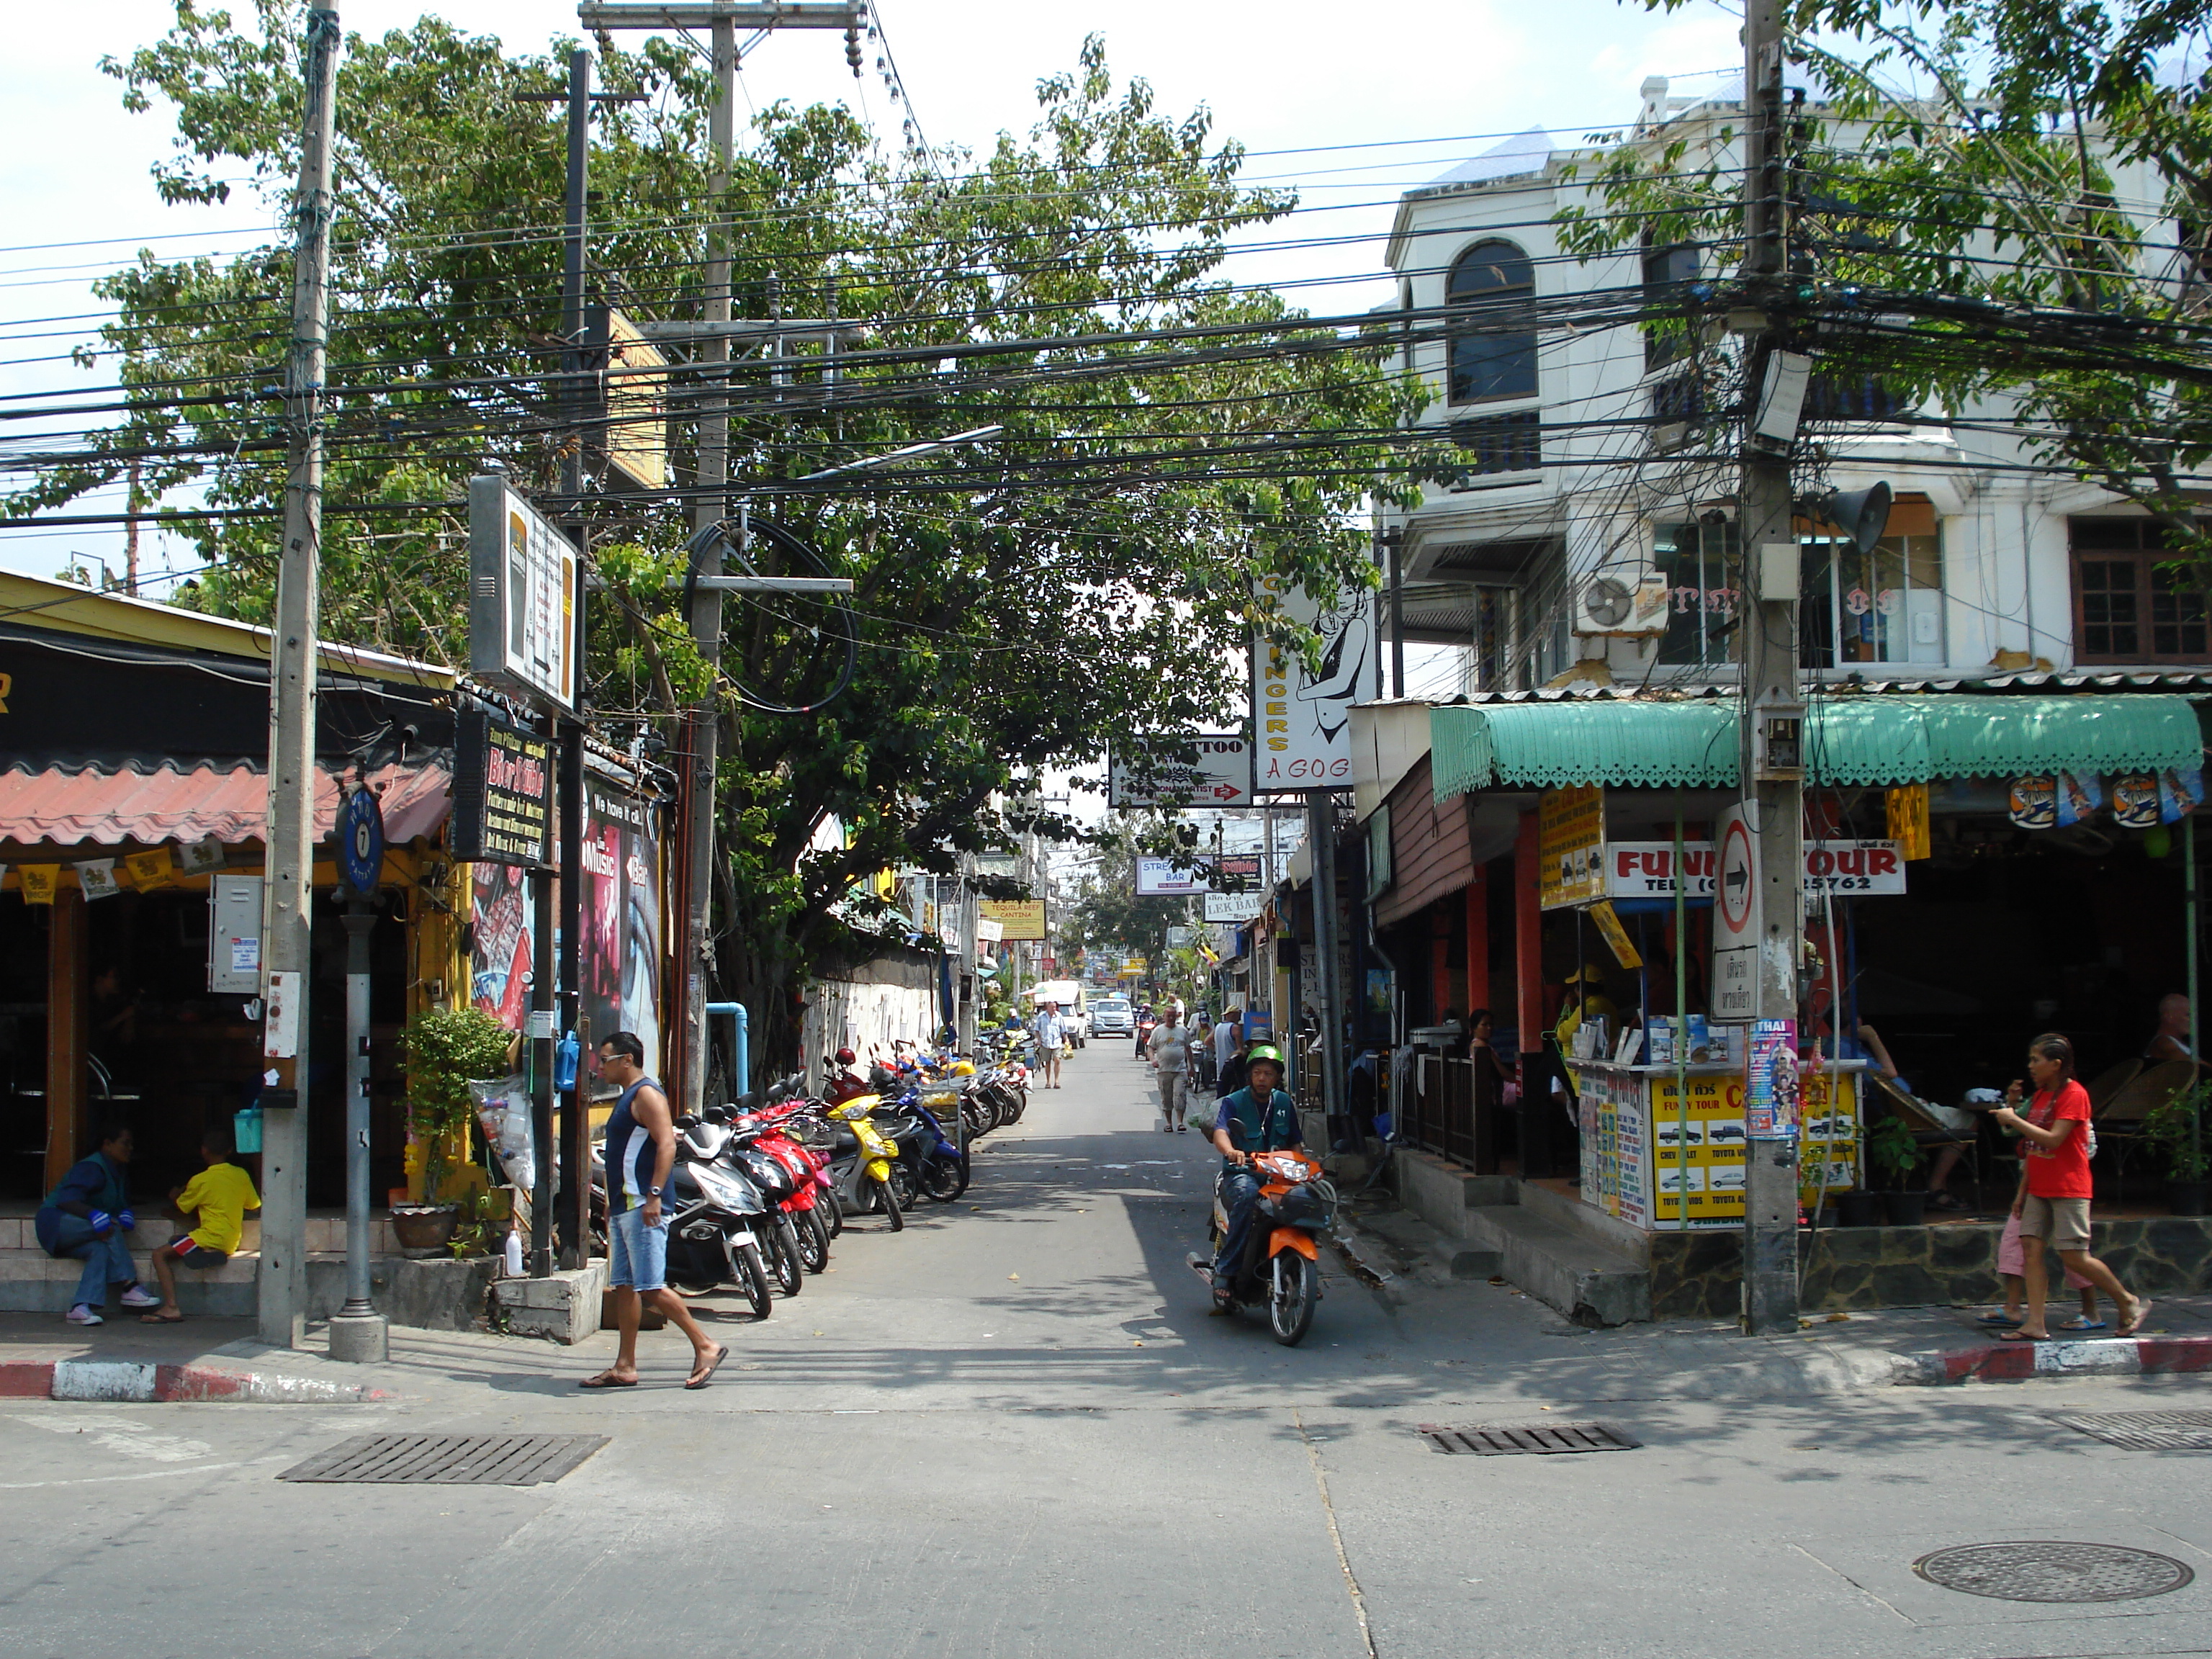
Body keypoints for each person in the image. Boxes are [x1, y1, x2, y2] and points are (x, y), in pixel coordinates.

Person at [579, 1033, 729, 1390]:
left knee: (650, 1287)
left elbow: (666, 1145)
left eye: (606, 1059)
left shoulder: (646, 1094)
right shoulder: (626, 1097)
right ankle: (625, 1365)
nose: (601, 1067)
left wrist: (655, 1196)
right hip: (624, 1205)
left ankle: (706, 1345)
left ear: (627, 1060)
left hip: (642, 1205)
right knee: (626, 1287)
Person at [1989, 1033, 2148, 1341]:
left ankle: (2127, 1301)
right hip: (2038, 1186)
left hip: (2068, 1187)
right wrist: (2022, 1192)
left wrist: (2013, 1119)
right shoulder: (2039, 1096)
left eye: (2036, 1060)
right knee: (2031, 1250)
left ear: (2056, 1064)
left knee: (2074, 1256)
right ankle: (2035, 1323)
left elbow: (2053, 1139)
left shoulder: (2074, 1095)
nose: (2031, 1066)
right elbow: (2028, 1140)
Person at [1204, 1044, 1303, 1309]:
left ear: (1277, 1077)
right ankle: (1226, 1271)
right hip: (1241, 1174)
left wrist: (1300, 1164)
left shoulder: (1283, 1103)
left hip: (1277, 1176)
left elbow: (1295, 1142)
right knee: (1248, 1197)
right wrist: (1232, 1151)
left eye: (1268, 1074)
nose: (1262, 1078)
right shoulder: (1234, 1101)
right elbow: (1221, 1132)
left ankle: (1301, 1271)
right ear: (1250, 1075)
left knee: (1305, 1201)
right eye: (1257, 1072)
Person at [35, 1122, 160, 1326]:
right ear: (107, 1144)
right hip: (55, 1225)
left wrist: (125, 1212)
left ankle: (81, 1307)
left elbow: (119, 1202)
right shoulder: (91, 1167)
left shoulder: (119, 1172)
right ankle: (129, 1286)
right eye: (125, 1144)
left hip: (76, 1233)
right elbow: (65, 1200)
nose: (130, 1149)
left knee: (99, 1249)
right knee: (110, 1227)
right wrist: (94, 1216)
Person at [142, 1125, 260, 1323]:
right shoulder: (241, 1175)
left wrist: (174, 1196)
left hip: (209, 1237)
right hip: (231, 1239)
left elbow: (182, 1208)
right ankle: (205, 1253)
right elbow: (254, 1205)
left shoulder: (201, 1180)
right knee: (176, 1241)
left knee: (160, 1254)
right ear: (230, 1151)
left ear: (204, 1150)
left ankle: (171, 1307)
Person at [1150, 1007, 1193, 1133]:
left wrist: (1191, 1067)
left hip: (1180, 1070)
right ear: (1164, 1017)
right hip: (1163, 1070)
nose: (1170, 1018)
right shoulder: (1158, 1031)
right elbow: (1151, 1048)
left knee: (1180, 1095)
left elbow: (1188, 1050)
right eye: (1168, 1016)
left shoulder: (1182, 1031)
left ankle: (1180, 1122)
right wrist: (1153, 1059)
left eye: (1173, 1016)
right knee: (1166, 1097)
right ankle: (1169, 1123)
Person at [2145, 993, 2195, 1064]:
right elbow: (2190, 1065)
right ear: (2169, 1017)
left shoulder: (2174, 1043)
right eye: (2188, 1015)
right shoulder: (2164, 1043)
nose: (2192, 1020)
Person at [1032, 999, 1066, 1089]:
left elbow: (1063, 1030)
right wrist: (1038, 1039)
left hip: (1057, 1042)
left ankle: (1057, 1081)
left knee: (1057, 1060)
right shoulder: (1041, 1017)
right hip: (1045, 1042)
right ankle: (1048, 1082)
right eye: (1052, 1007)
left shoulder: (1059, 1016)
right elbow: (1036, 1030)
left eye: (1055, 1007)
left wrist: (1066, 1040)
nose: (1054, 1009)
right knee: (1047, 1062)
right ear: (1047, 1008)